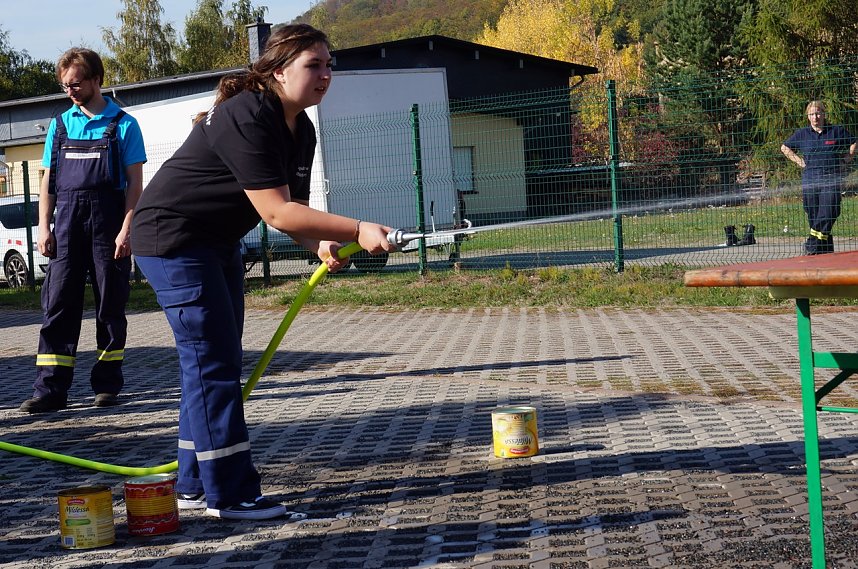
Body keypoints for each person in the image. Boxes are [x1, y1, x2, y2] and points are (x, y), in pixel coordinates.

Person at [130, 24, 395, 521]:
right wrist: (358, 227)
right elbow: (275, 213)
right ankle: (230, 495)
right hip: (173, 240)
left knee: (215, 364)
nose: (325, 75)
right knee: (212, 363)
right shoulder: (246, 114)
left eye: (329, 65)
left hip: (215, 241)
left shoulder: (302, 129)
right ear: (278, 71)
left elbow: (293, 208)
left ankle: (192, 484)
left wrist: (317, 241)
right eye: (313, 65)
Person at [19, 48, 146, 414]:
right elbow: (49, 183)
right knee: (58, 305)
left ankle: (107, 384)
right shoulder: (59, 125)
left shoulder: (123, 124)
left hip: (108, 229)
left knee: (110, 305)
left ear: (96, 80)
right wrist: (44, 226)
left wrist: (127, 229)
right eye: (65, 86)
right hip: (68, 227)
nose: (70, 91)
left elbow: (135, 185)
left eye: (76, 84)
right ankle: (50, 390)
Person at [781, 100, 857, 255]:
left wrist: (846, 159)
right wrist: (799, 161)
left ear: (823, 114)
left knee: (830, 211)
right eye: (812, 114)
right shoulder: (802, 134)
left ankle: (812, 242)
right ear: (808, 117)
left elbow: (854, 142)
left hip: (830, 178)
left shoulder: (835, 131)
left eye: (818, 113)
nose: (815, 117)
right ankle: (822, 252)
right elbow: (784, 147)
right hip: (810, 180)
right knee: (813, 214)